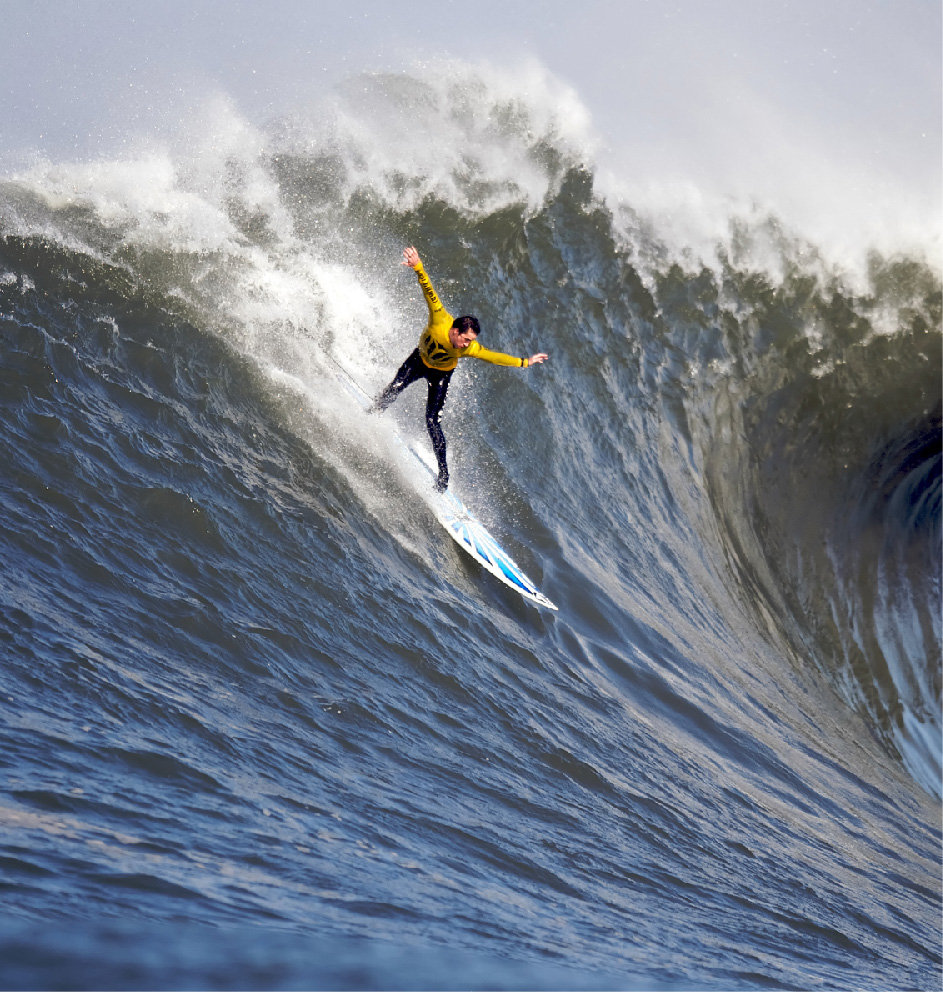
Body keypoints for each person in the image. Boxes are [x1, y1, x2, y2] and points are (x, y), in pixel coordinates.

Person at [373, 246, 548, 492]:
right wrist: (418, 266)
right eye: (466, 339)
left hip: (441, 374)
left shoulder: (469, 348)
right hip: (418, 360)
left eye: (471, 341)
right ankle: (372, 412)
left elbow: (495, 357)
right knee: (394, 388)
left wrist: (524, 362)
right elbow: (428, 290)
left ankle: (443, 475)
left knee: (432, 421)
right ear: (455, 331)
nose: (468, 345)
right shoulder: (439, 318)